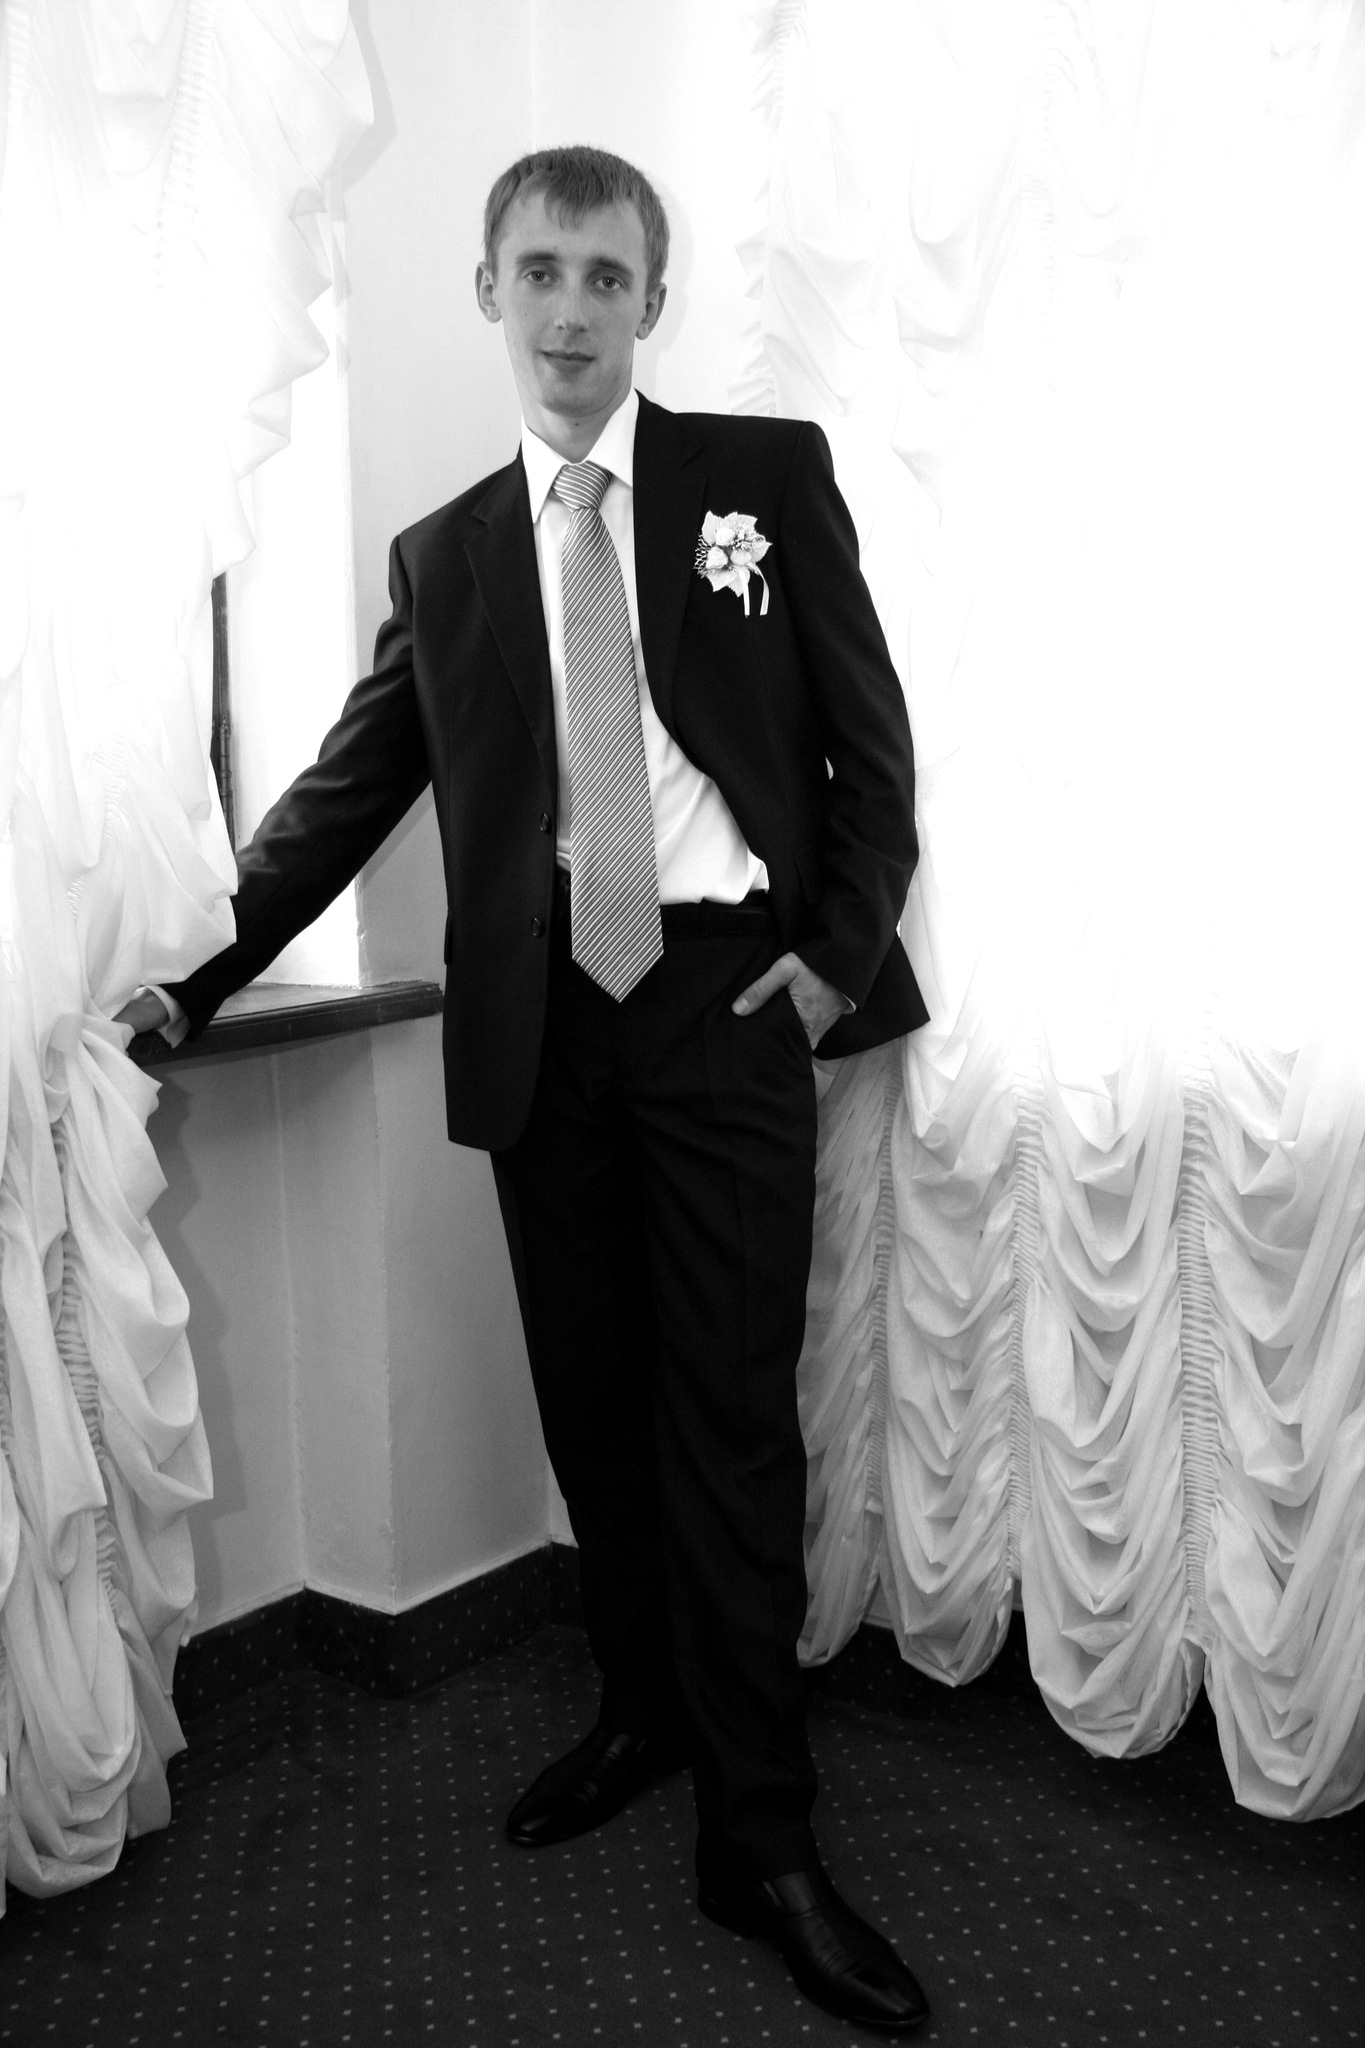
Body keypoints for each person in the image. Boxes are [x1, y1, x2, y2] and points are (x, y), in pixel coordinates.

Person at [121, 146, 931, 2033]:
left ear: (653, 299)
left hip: (726, 1005)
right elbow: (343, 795)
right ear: (487, 288)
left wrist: (824, 966)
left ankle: (763, 1835)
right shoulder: (448, 553)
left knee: (728, 1422)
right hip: (545, 1029)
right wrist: (187, 974)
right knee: (596, 1406)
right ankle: (642, 1709)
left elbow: (872, 756)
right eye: (540, 270)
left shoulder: (761, 480)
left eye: (605, 275)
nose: (571, 309)